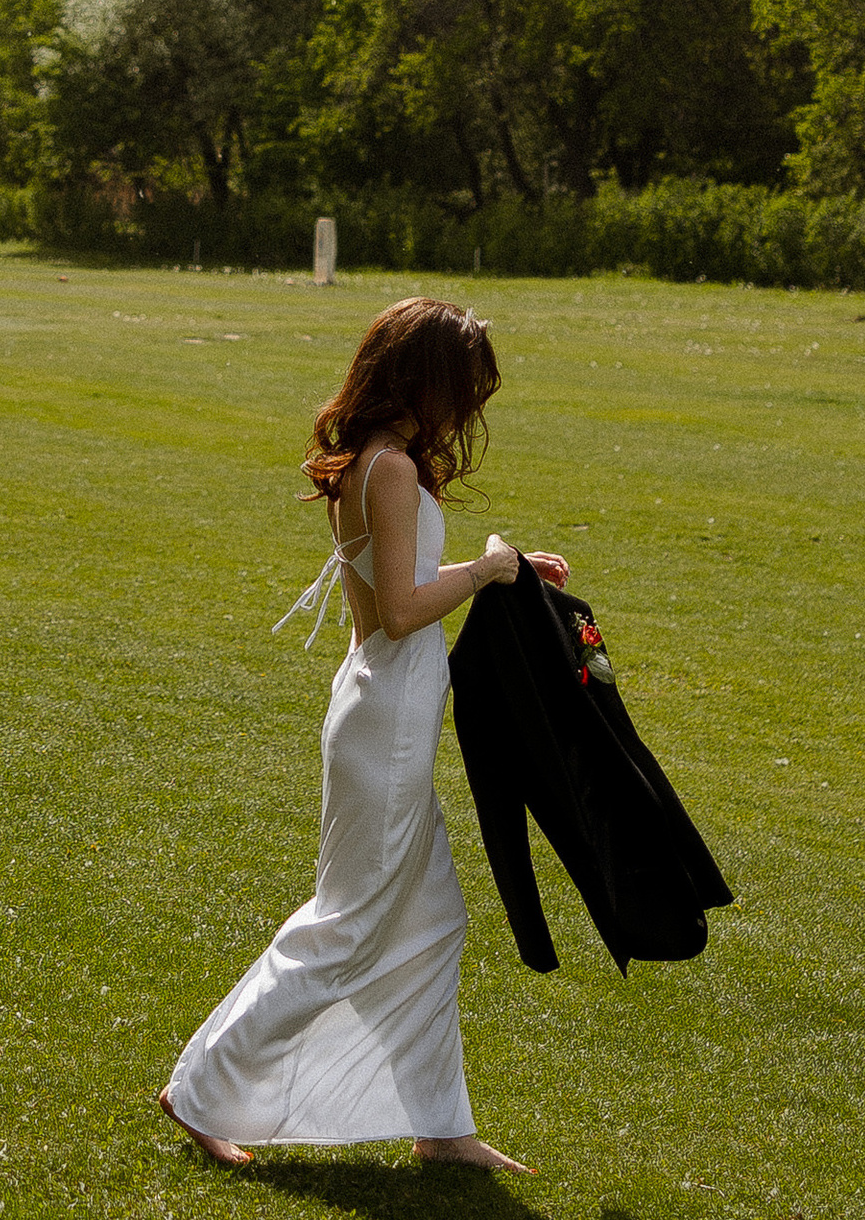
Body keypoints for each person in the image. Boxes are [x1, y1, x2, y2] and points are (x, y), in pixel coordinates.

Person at [158, 295, 568, 1173]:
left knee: (432, 919)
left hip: (384, 714)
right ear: (425, 378)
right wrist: (492, 568)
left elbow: (411, 581)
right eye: (464, 388)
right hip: (385, 719)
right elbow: (401, 610)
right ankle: (198, 1089)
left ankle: (440, 1126)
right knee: (344, 927)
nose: (470, 409)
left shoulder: (378, 463)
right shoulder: (385, 470)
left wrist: (508, 571)